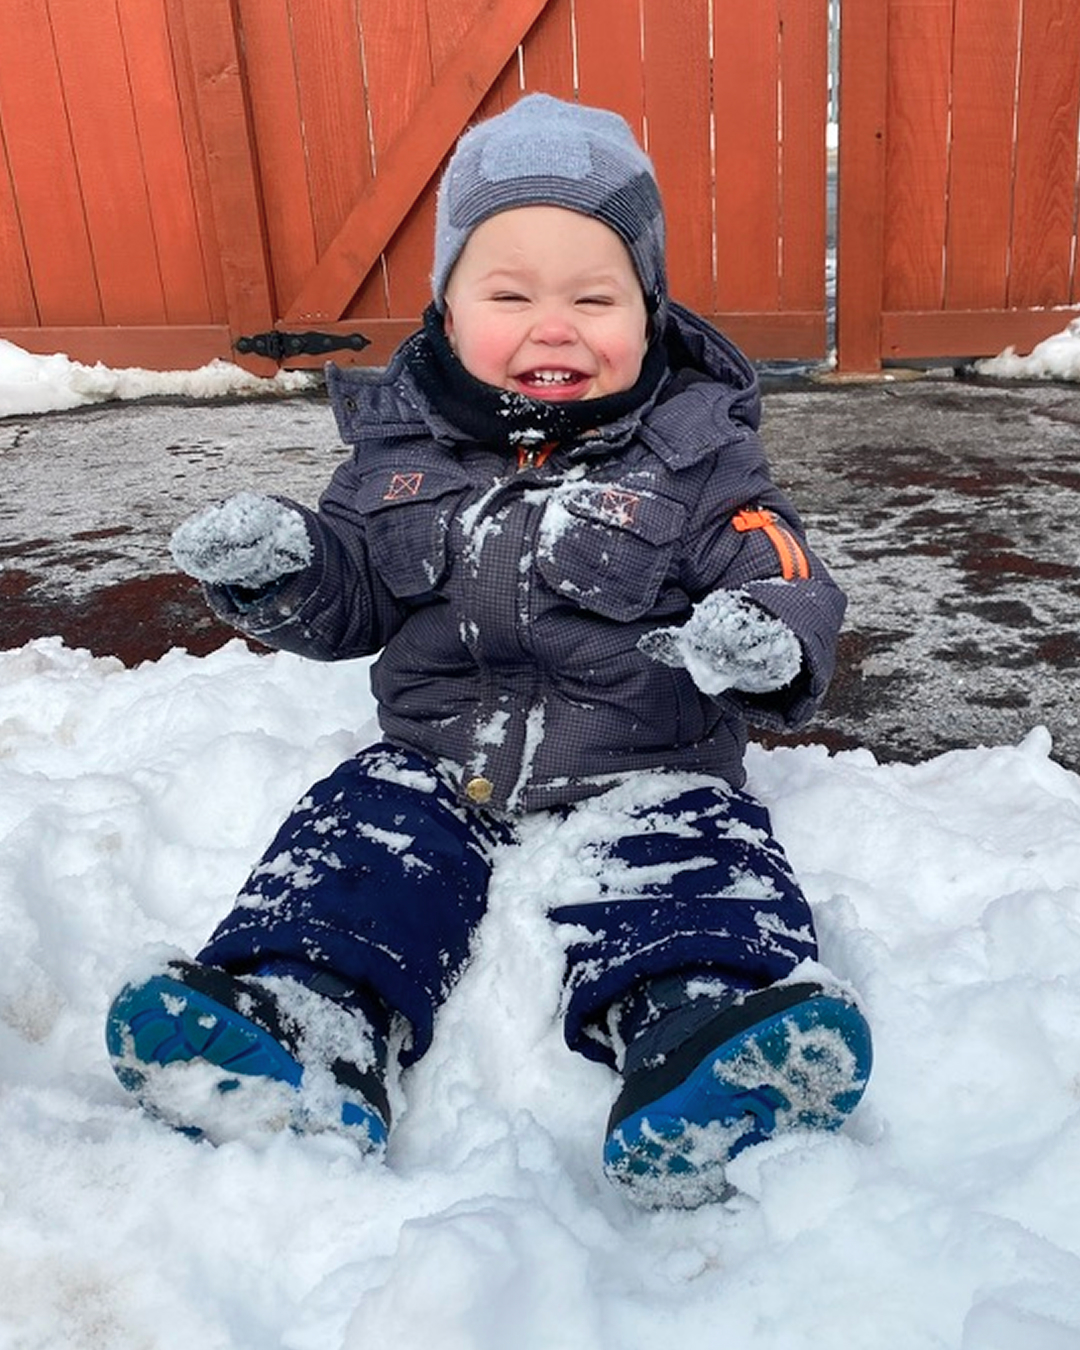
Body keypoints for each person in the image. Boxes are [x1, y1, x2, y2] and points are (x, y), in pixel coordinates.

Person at [106, 93, 871, 1208]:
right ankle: (305, 1024)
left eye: (594, 298)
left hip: (645, 761)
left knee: (696, 870)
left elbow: (783, 567)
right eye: (509, 295)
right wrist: (287, 572)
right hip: (436, 756)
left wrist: (767, 634)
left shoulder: (697, 456)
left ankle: (703, 1037)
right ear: (449, 310)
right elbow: (354, 594)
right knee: (355, 846)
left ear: (649, 313)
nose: (553, 327)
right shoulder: (394, 455)